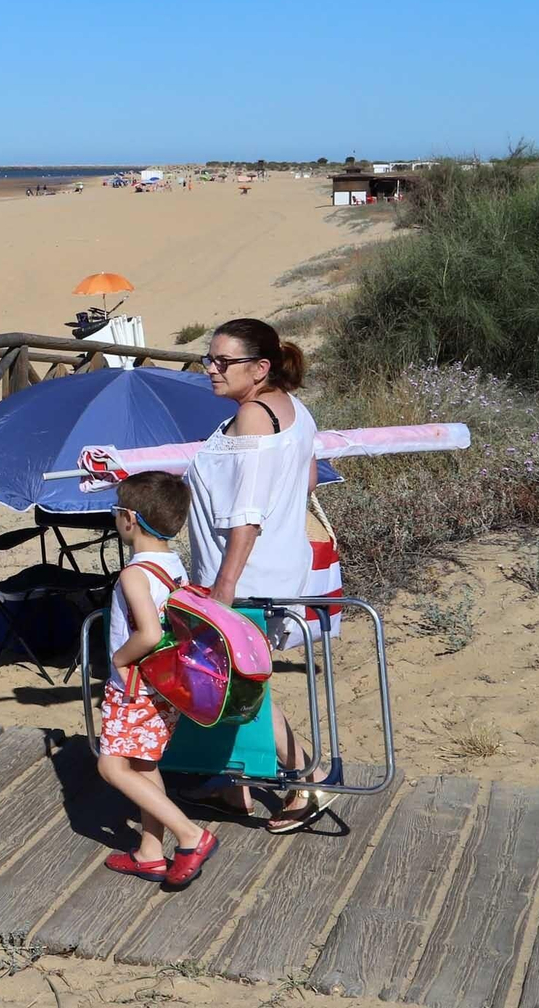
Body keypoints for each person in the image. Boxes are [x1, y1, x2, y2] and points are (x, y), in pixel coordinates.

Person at [183, 317, 334, 833]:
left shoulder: (251, 416)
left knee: (242, 679)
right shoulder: (294, 409)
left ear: (260, 367)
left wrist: (223, 586)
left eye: (223, 361)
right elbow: (307, 475)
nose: (211, 369)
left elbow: (245, 512)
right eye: (209, 358)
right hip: (274, 564)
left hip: (246, 573)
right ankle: (233, 785)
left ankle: (307, 776)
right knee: (231, 677)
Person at [97, 472, 219, 887]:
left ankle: (190, 835)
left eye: (116, 511)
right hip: (164, 689)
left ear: (129, 519)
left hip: (134, 688)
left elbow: (147, 634)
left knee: (112, 767)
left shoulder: (134, 574)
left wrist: (117, 658)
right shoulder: (173, 566)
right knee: (144, 764)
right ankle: (150, 851)